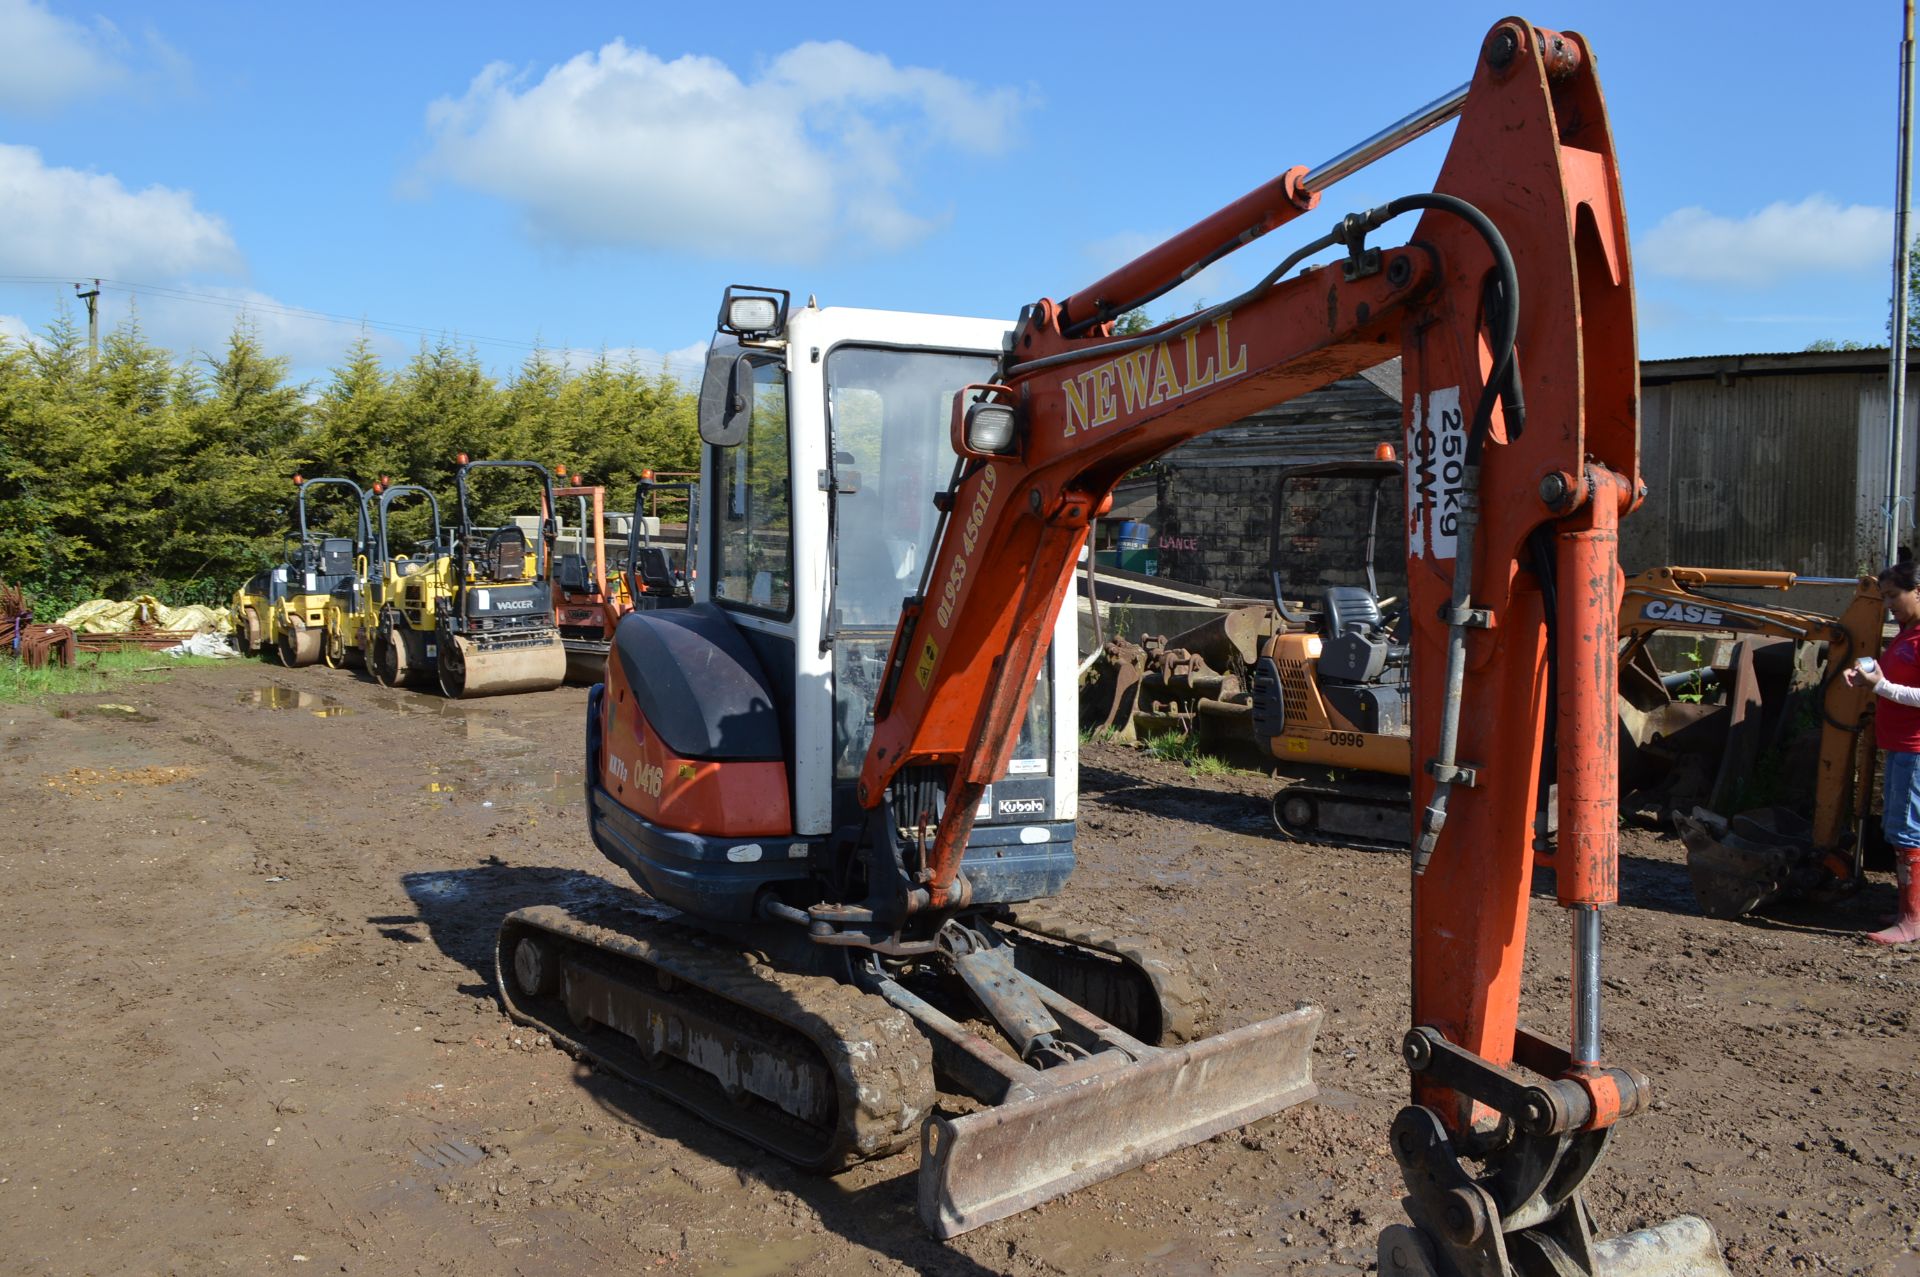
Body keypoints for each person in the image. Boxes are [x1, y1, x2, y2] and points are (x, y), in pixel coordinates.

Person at [1843, 560, 1920, 944]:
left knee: (1907, 831)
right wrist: (1866, 675)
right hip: (1900, 746)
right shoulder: (1907, 633)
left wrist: (1881, 687)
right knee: (1902, 828)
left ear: (1918, 591)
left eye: (1893, 595)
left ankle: (1911, 920)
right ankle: (1913, 909)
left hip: (1915, 750)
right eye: (1884, 595)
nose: (1887, 603)